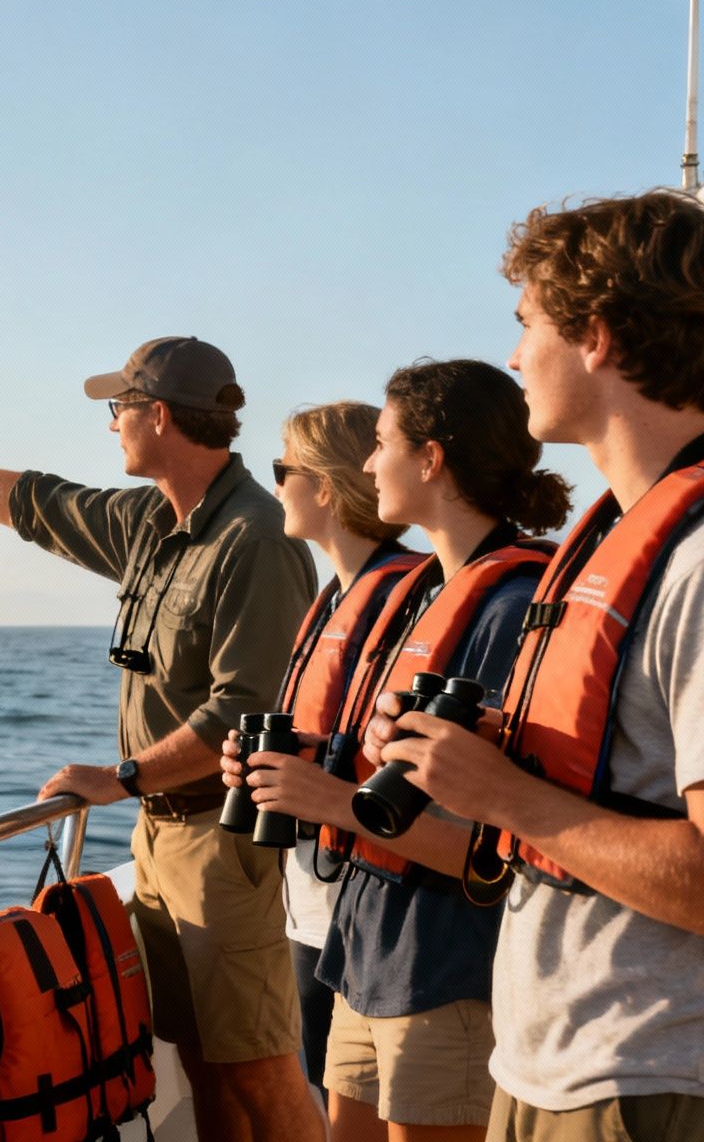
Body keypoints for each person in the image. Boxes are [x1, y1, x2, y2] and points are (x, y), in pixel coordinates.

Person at [371, 191, 704, 1142]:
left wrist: (506, 796)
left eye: (526, 325)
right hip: (564, 1070)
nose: (516, 356)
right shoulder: (634, 538)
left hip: (668, 1086)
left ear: (597, 337)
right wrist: (492, 760)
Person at [0, 335, 322, 1141]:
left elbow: (248, 711)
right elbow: (36, 504)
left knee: (257, 1065)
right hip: (160, 840)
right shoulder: (151, 521)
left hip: (226, 843)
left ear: (160, 417)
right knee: (205, 1058)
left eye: (120, 410)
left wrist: (123, 775)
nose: (111, 427)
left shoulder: (259, 537)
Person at [225, 360, 570, 1142]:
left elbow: (503, 848)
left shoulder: (508, 610)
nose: (370, 464)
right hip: (365, 955)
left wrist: (328, 802)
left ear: (431, 459)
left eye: (381, 444)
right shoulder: (426, 596)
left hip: (442, 969)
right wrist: (303, 766)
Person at [262, 402, 419, 1102]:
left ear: (324, 487)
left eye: (282, 470)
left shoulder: (417, 599)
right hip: (314, 897)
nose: (275, 488)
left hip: (371, 907)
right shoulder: (332, 599)